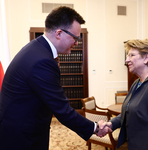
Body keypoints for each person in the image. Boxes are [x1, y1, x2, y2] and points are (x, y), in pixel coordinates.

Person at [0, 6, 110, 150]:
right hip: (21, 137)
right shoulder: (42, 60)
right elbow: (62, 110)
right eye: (75, 37)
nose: (77, 43)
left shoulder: (37, 48)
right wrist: (95, 127)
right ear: (59, 33)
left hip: (23, 129)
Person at [101, 39, 148, 150]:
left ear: (146, 58)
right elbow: (128, 112)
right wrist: (111, 124)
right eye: (127, 56)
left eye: (131, 55)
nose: (127, 60)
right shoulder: (137, 83)